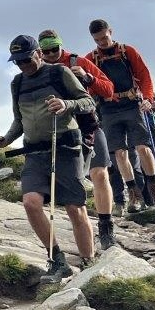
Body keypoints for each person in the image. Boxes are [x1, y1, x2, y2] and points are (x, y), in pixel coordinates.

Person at [0, 35, 96, 281]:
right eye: (17, 62)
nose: (23, 66)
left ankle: (89, 264)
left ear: (38, 53)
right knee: (31, 203)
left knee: (75, 208)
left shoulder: (59, 73)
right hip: (34, 152)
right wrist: (5, 140)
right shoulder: (17, 83)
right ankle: (57, 260)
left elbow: (88, 101)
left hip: (66, 148)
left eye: (26, 60)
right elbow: (19, 120)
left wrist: (66, 104)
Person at [37, 29, 118, 250]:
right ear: (40, 52)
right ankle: (83, 236)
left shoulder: (78, 62)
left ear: (61, 45)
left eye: (55, 49)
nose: (51, 54)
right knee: (74, 181)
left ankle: (106, 227)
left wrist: (88, 77)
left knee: (100, 173)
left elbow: (109, 90)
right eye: (46, 51)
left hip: (88, 125)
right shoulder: (36, 71)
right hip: (59, 131)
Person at [85, 19, 155, 213]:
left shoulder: (128, 51)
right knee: (119, 153)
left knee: (143, 148)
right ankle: (134, 195)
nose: (102, 42)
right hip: (108, 109)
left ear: (110, 32)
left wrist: (148, 98)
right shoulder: (91, 58)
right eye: (97, 40)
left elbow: (144, 76)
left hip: (132, 105)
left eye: (104, 37)